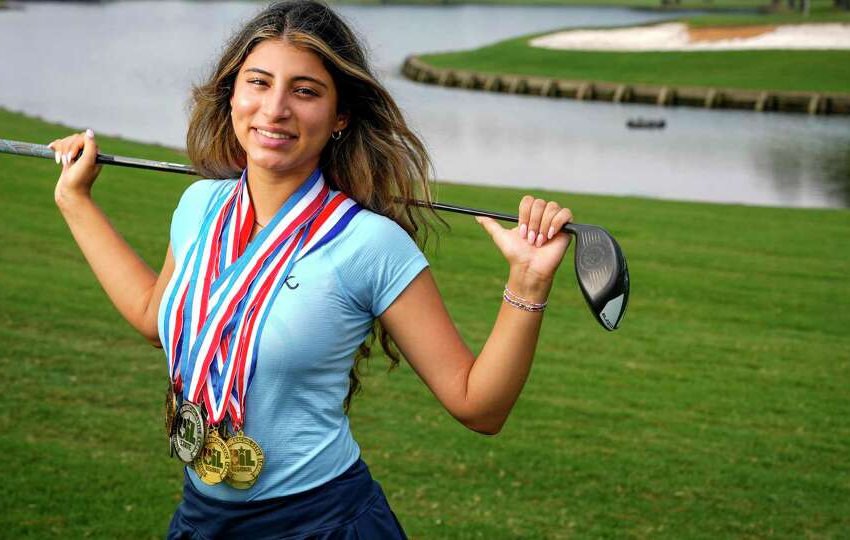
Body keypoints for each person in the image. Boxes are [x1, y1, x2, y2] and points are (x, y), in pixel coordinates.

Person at [47, 0, 574, 537]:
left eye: (305, 91)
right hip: (203, 520)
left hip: (322, 524)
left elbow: (478, 406)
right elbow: (152, 315)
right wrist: (76, 201)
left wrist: (527, 281)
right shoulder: (199, 207)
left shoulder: (370, 246)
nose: (275, 109)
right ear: (232, 95)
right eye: (258, 82)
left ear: (341, 114)